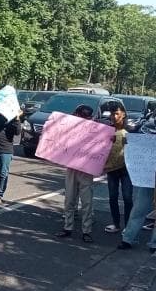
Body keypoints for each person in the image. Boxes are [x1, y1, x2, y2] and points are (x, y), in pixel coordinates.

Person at [55, 104, 96, 243]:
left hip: (86, 168)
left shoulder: (96, 129)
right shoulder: (71, 127)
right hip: (72, 166)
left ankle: (87, 230)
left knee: (86, 201)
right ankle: (68, 227)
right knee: (70, 199)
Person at [103, 104, 133, 233]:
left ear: (123, 114)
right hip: (112, 170)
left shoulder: (131, 131)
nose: (114, 117)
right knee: (112, 196)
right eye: (112, 114)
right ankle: (116, 224)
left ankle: (128, 226)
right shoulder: (107, 130)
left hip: (127, 170)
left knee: (127, 198)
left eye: (116, 113)